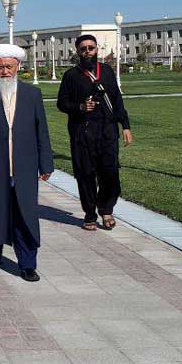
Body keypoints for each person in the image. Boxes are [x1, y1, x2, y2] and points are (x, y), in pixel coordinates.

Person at [0, 45, 53, 282]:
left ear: (18, 67)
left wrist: (46, 163)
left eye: (9, 67)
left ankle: (27, 264)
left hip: (24, 167)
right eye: (0, 67)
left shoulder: (32, 95)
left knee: (25, 216)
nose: (5, 71)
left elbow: (41, 130)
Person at [56, 35, 133, 231]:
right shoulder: (71, 75)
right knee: (86, 174)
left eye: (91, 48)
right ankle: (90, 213)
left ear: (97, 49)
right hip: (82, 132)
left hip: (107, 131)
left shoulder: (106, 71)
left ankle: (106, 209)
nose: (87, 52)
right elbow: (62, 103)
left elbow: (116, 99)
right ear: (78, 52)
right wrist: (80, 107)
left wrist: (125, 125)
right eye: (83, 49)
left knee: (110, 173)